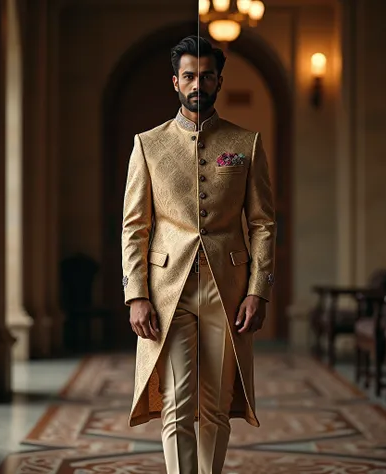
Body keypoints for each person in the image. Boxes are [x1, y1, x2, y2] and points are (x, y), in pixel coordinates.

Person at [121, 35, 276, 474]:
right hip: (169, 293)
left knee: (215, 406)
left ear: (219, 81)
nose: (197, 83)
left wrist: (258, 291)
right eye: (189, 75)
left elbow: (263, 223)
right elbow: (135, 228)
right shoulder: (148, 145)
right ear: (175, 81)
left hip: (227, 290)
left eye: (206, 75)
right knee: (176, 404)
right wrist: (136, 294)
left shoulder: (245, 143)